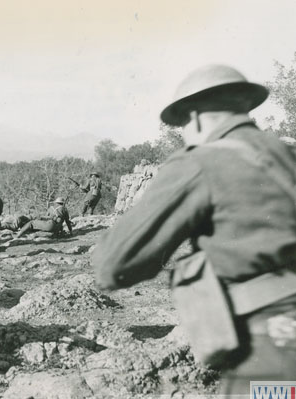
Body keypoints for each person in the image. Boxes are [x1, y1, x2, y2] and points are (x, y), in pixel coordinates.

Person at [92, 65, 296, 395]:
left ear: (196, 117)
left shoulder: (200, 162)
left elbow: (113, 264)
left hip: (271, 346)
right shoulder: (286, 154)